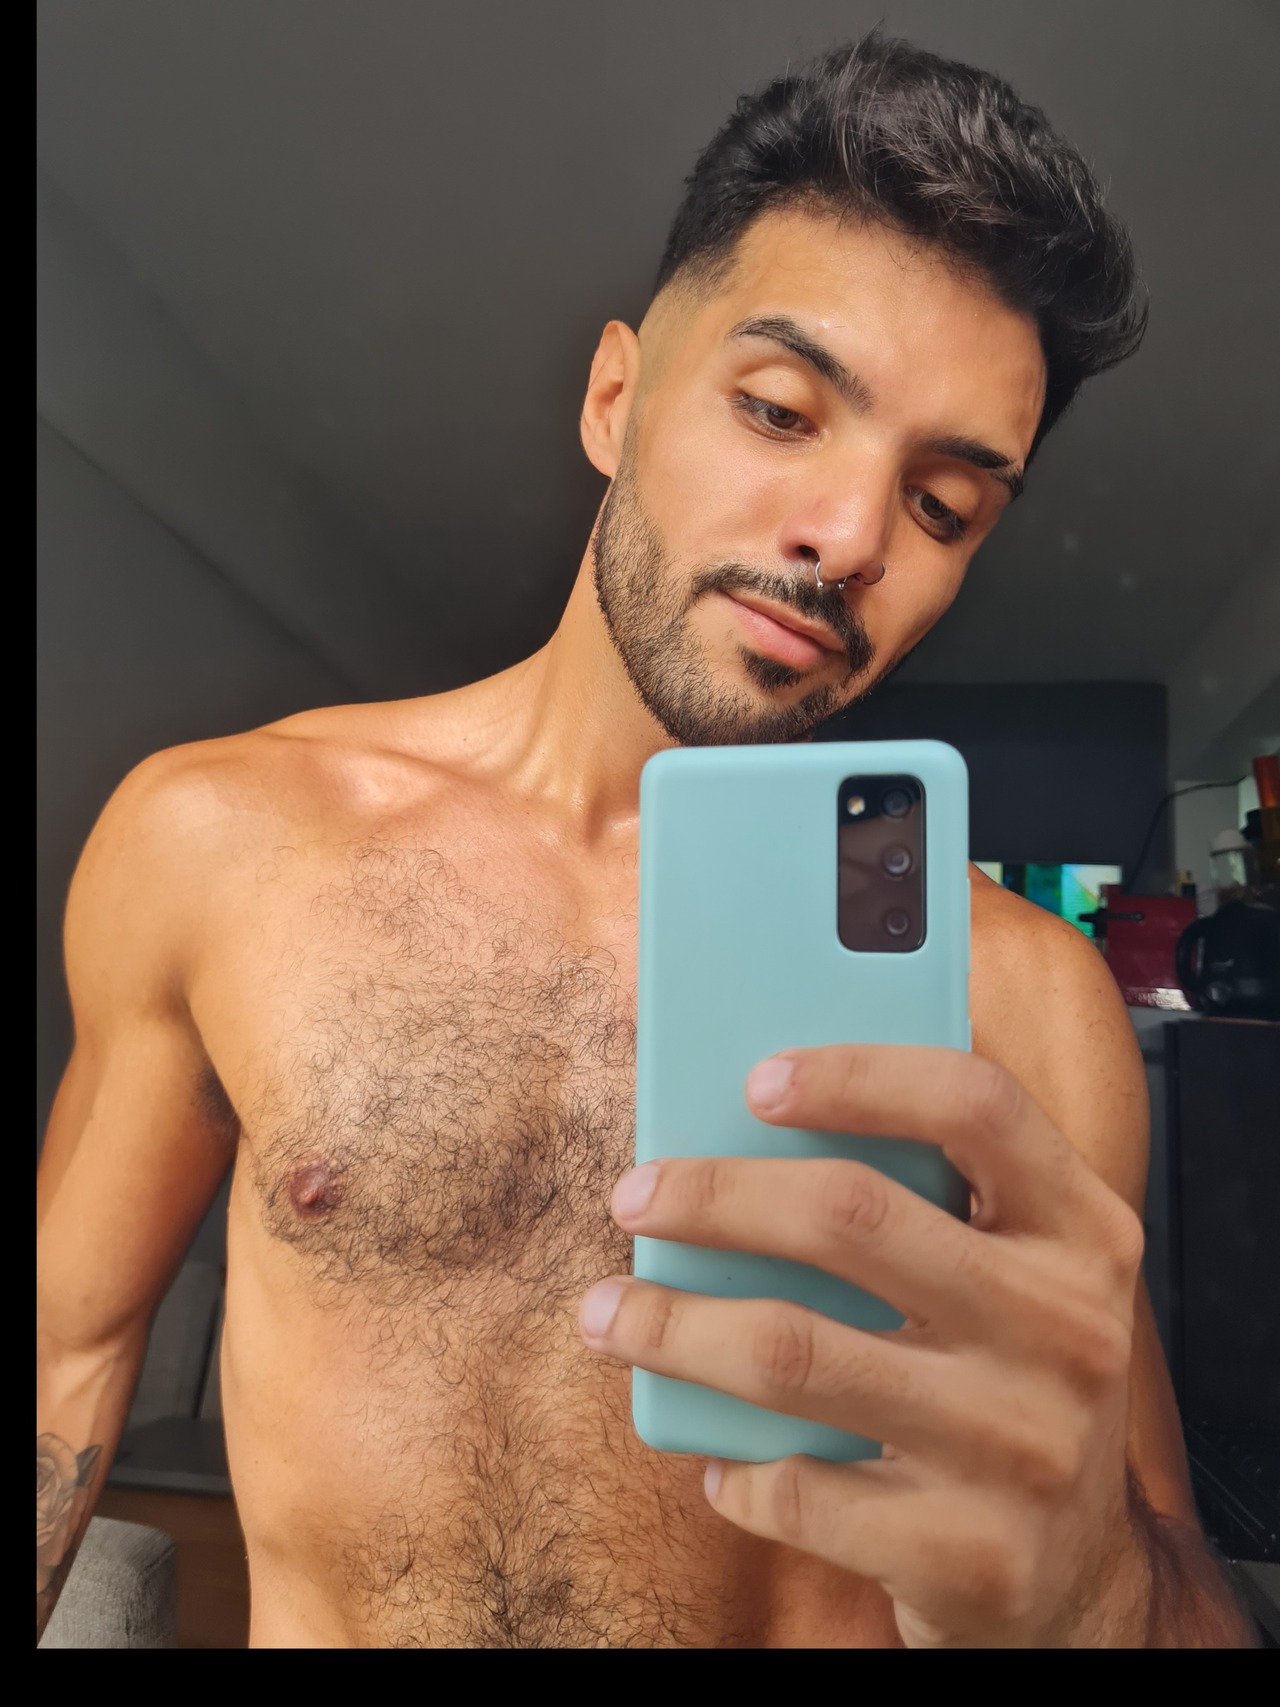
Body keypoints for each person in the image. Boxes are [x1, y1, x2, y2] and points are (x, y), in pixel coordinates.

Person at [37, 34, 1252, 1647]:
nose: (849, 537)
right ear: (616, 399)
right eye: (780, 409)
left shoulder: (1021, 1002)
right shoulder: (216, 842)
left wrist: (1095, 1583)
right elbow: (65, 1366)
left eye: (945, 506)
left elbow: (1169, 1578)